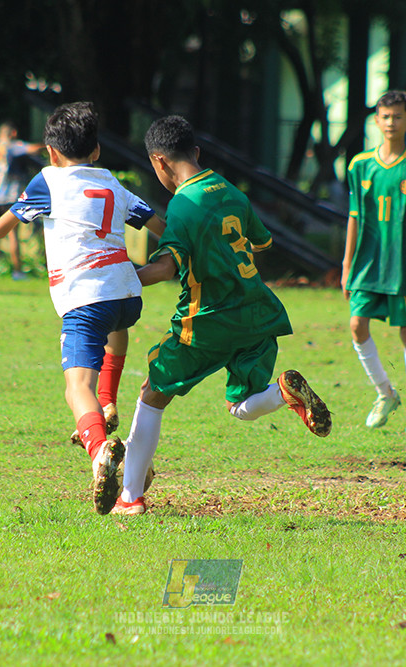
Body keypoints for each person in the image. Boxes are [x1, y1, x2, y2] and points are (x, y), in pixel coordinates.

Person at [0, 102, 165, 515]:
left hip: (85, 298)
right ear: (97, 150)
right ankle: (108, 400)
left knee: (73, 388)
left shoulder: (49, 180)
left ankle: (101, 451)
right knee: (115, 325)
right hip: (127, 295)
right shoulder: (112, 182)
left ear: (51, 153)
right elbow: (163, 227)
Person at [113, 115, 332, 516]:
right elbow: (260, 242)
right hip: (256, 312)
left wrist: (115, 278)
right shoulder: (232, 192)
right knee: (241, 403)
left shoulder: (182, 204)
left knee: (151, 395)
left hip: (207, 320)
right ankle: (283, 391)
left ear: (159, 162)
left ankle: (130, 498)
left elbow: (165, 268)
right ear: (196, 152)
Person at [341, 90, 406, 436]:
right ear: (376, 120)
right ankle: (386, 393)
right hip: (367, 263)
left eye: (397, 116)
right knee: (357, 325)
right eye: (385, 116)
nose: (391, 123)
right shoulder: (359, 165)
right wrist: (346, 265)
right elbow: (354, 217)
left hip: (405, 266)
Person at [0, 122, 45, 281]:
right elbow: (31, 149)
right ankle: (17, 271)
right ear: (12, 133)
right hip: (9, 196)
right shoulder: (12, 146)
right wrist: (47, 146)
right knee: (13, 235)